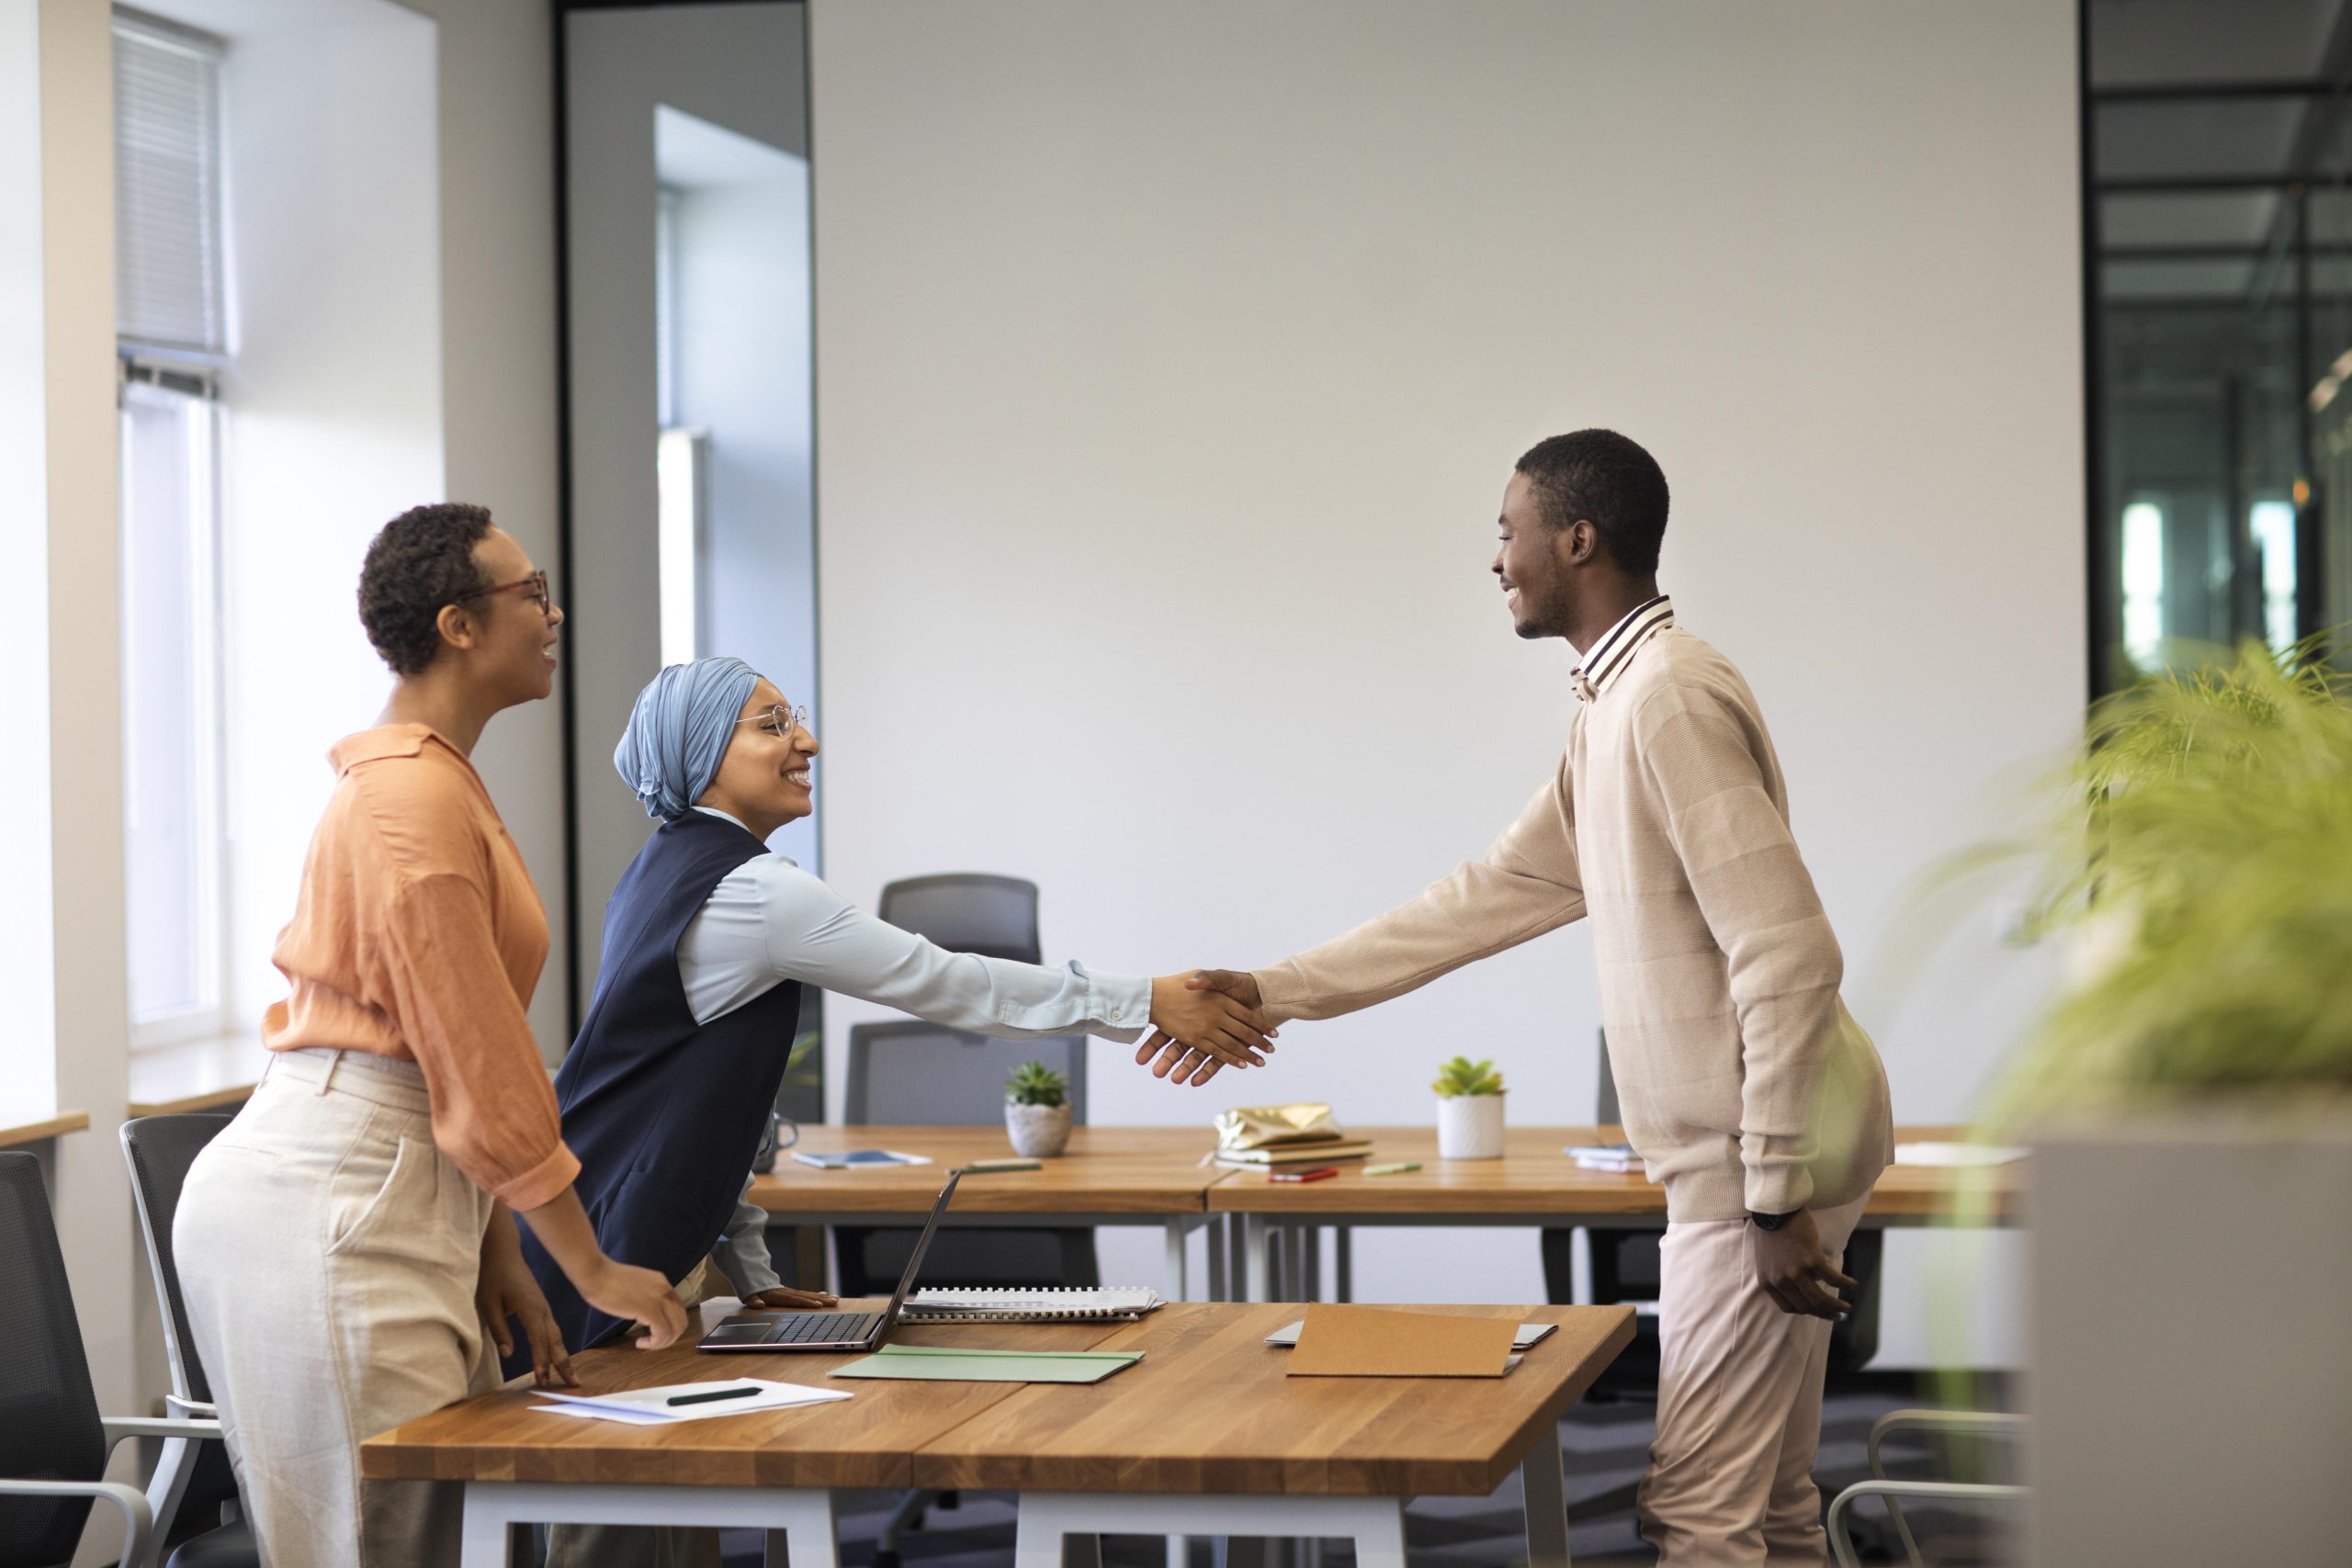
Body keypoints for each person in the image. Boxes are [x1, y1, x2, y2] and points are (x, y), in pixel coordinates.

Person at [1140, 431, 1893, 1568]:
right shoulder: (1615, 704)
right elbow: (1484, 897)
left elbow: (1788, 954)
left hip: (1754, 1166)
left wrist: (1772, 1195)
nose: (1496, 559)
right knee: (1769, 1508)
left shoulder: (1667, 700)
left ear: (1577, 540)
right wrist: (1273, 989)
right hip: (1755, 1161)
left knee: (1698, 1514)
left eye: (1508, 531)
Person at [533, 655, 1277, 1568]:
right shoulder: (757, 893)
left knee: (651, 1526)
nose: (807, 741)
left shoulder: (663, 872)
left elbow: (703, 1101)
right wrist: (1147, 998)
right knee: (613, 1530)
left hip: (615, 1227)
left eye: (796, 718)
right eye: (771, 724)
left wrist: (750, 1267)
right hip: (619, 1247)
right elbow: (951, 982)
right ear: (701, 755)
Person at [174, 504, 689, 1568]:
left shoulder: (436, 776)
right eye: (531, 592)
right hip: (339, 1202)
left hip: (400, 1187)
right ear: (459, 625)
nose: (554, 612)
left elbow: (451, 1044)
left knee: (441, 1539)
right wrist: (588, 1267)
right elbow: (475, 1055)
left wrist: (499, 1248)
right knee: (384, 1547)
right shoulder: (409, 795)